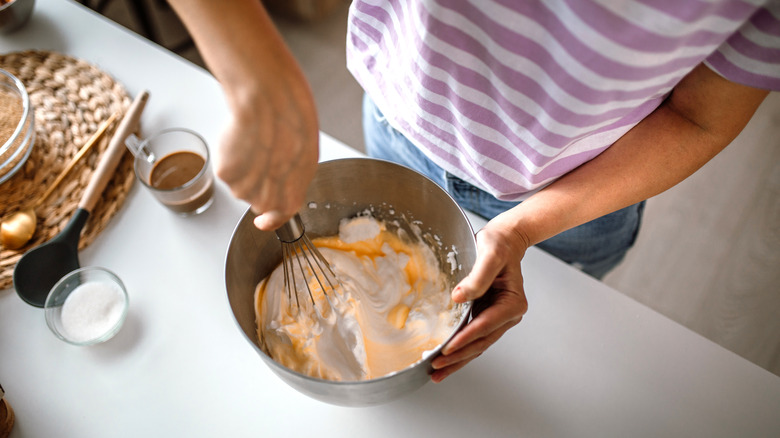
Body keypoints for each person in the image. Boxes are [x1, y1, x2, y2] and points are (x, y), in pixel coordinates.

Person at [167, 0, 780, 383]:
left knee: (559, 356)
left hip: (580, 202)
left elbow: (701, 116)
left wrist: (521, 227)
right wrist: (256, 76)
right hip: (400, 126)